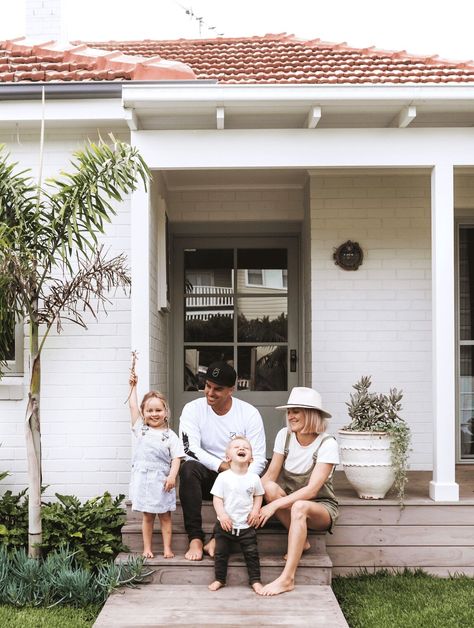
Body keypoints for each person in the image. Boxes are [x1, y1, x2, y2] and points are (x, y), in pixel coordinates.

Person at [179, 360, 266, 561]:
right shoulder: (192, 409)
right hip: (209, 474)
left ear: (231, 390)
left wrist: (241, 478)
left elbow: (259, 457)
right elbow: (189, 449)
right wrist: (223, 467)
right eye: (207, 386)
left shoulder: (249, 413)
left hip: (240, 476)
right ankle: (195, 538)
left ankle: (218, 540)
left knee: (263, 490)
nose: (210, 392)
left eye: (217, 389)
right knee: (188, 469)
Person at [256, 386, 339, 596]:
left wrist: (273, 505)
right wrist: (254, 503)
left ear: (311, 414)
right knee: (268, 487)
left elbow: (311, 491)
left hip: (320, 508)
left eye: (296, 411)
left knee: (300, 506)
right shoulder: (284, 436)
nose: (290, 416)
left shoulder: (327, 444)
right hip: (291, 505)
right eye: (289, 411)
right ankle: (302, 542)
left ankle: (287, 579)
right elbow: (270, 476)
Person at [128, 373, 184, 558]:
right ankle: (147, 548)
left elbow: (177, 458)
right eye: (150, 410)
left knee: (165, 516)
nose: (154, 414)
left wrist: (172, 477)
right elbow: (132, 405)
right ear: (144, 413)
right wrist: (133, 386)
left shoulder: (170, 435)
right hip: (144, 481)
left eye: (158, 410)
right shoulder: (141, 430)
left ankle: (167, 548)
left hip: (162, 481)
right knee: (148, 516)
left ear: (165, 412)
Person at [208, 436, 264, 594]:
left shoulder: (254, 478)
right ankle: (220, 579)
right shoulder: (223, 477)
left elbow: (258, 495)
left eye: (246, 447)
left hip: (247, 526)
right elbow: (217, 499)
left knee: (252, 554)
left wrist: (255, 511)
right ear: (227, 457)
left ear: (251, 458)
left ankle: (255, 580)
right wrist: (223, 515)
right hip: (226, 526)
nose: (242, 449)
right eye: (237, 447)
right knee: (220, 554)